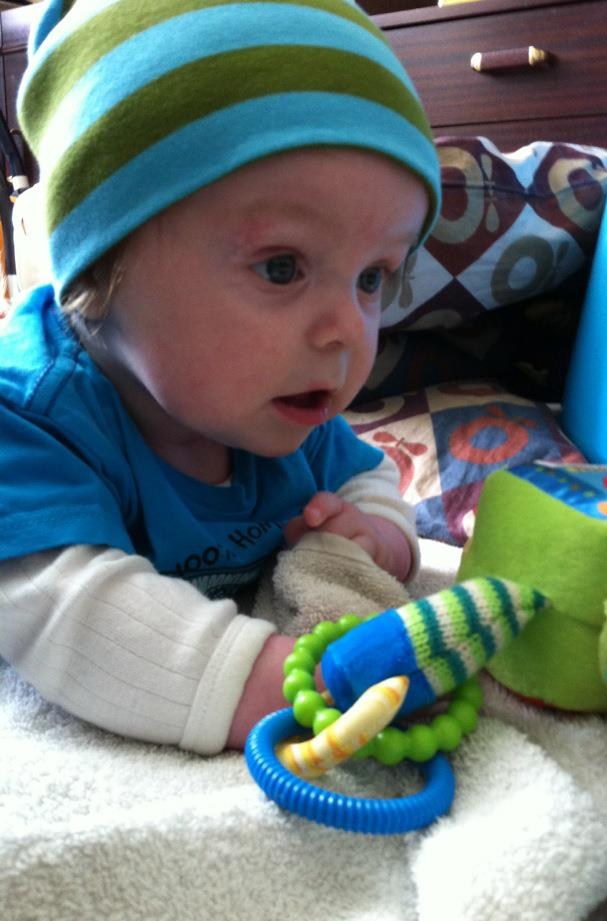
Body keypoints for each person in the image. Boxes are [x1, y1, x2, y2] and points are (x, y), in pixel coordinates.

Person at [0, 0, 440, 754]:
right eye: (282, 267)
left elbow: (364, 475)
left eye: (372, 277)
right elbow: (68, 609)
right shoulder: (29, 420)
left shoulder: (282, 402)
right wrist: (295, 682)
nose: (346, 329)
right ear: (102, 267)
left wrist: (381, 536)